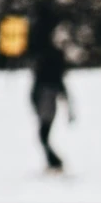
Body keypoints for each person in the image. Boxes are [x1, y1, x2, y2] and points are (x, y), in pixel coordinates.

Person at [29, 24, 71, 172]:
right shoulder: (50, 59)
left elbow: (59, 85)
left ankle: (55, 162)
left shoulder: (49, 63)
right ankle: (54, 162)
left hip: (47, 99)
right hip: (45, 98)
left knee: (42, 135)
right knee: (42, 135)